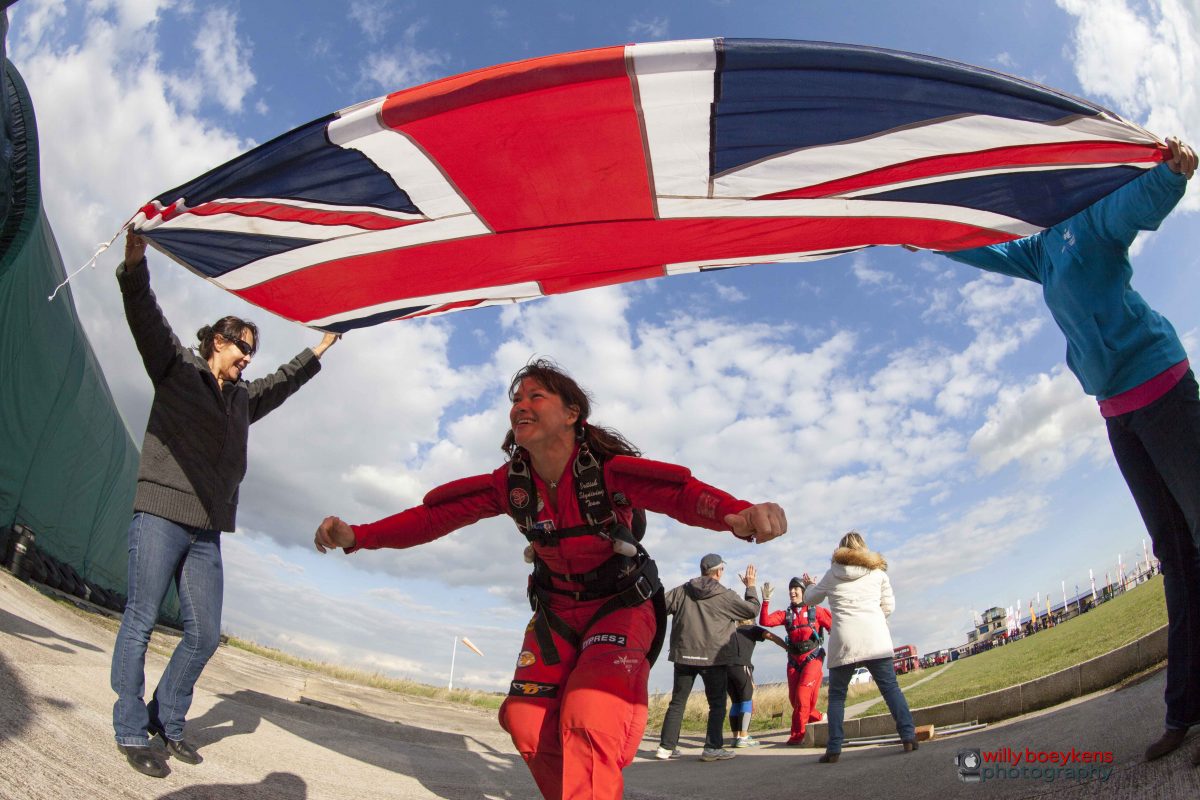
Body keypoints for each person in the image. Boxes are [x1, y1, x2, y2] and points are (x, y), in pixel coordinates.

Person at [313, 360, 785, 800]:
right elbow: (432, 517)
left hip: (620, 605)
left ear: (571, 412)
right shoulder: (510, 484)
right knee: (524, 719)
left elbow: (680, 492)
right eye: (516, 399)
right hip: (556, 612)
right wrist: (358, 536)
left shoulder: (609, 472)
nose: (520, 405)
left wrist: (736, 514)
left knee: (591, 714)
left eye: (535, 396)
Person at [914, 137, 1198, 762]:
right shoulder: (1042, 251)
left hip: (1162, 388)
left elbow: (1135, 207)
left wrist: (1172, 176)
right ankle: (1185, 710)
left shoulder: (1089, 221)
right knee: (1174, 554)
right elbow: (985, 250)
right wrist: (925, 234)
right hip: (1118, 413)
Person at [110, 231, 339, 778]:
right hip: (162, 514)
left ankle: (167, 721)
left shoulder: (243, 399)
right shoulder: (175, 368)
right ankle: (129, 728)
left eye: (253, 352)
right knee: (141, 619)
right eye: (243, 347)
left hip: (208, 528)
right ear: (217, 340)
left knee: (204, 633)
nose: (248, 358)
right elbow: (145, 316)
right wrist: (135, 264)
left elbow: (282, 383)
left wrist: (320, 348)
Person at [802, 531, 916, 763]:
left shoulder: (832, 574)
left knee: (836, 697)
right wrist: (875, 619)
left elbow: (809, 600)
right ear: (864, 549)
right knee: (891, 689)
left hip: (844, 639)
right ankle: (908, 737)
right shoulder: (877, 573)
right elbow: (889, 606)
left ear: (840, 551)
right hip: (875, 638)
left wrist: (809, 586)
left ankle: (834, 749)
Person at [656, 556, 761, 762]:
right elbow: (752, 610)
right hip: (714, 658)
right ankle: (712, 748)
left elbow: (658, 607)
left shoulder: (682, 590)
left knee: (677, 702)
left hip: (684, 655)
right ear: (719, 572)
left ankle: (665, 748)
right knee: (717, 704)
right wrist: (751, 587)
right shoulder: (725, 595)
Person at [759, 575, 832, 745]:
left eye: (796, 588)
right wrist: (766, 600)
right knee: (795, 700)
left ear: (803, 592)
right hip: (793, 661)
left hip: (812, 659)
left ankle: (798, 735)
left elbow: (833, 627)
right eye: (790, 589)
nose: (792, 592)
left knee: (802, 695)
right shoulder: (787, 614)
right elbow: (765, 621)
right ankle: (818, 716)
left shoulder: (817, 611)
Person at [725, 618, 784, 748]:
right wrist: (787, 647)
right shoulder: (752, 629)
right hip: (742, 667)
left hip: (726, 669)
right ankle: (744, 736)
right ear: (751, 620)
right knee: (746, 701)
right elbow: (771, 636)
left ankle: (736, 737)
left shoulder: (730, 630)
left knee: (735, 702)